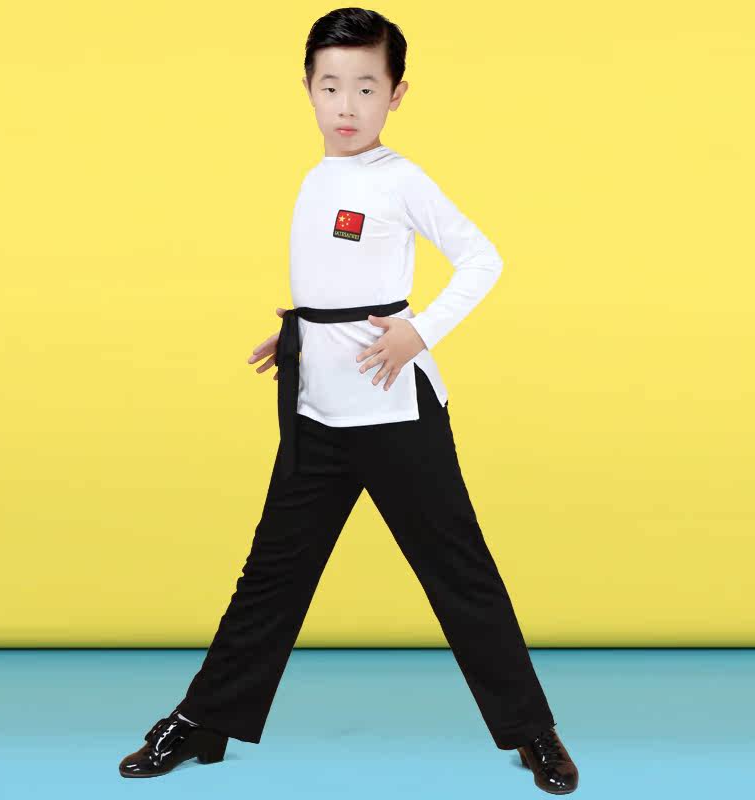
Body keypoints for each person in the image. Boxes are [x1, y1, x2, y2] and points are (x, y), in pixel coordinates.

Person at [119, 7, 579, 794]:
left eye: (366, 87)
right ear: (306, 87)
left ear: (396, 94)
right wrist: (296, 335)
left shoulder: (400, 178)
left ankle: (533, 730)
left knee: (460, 573)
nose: (346, 104)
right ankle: (203, 721)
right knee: (271, 574)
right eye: (330, 85)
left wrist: (419, 332)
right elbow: (333, 287)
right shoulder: (315, 178)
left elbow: (482, 258)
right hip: (318, 410)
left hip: (396, 412)